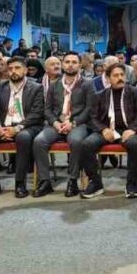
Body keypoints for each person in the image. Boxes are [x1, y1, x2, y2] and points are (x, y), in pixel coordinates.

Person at [0, 57, 45, 198]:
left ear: (25, 70)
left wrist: (17, 128)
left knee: (23, 138)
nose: (13, 71)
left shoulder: (36, 87)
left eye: (17, 68)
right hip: (3, 125)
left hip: (26, 126)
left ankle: (20, 182)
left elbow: (36, 114)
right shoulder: (0, 87)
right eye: (10, 69)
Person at [31, 52, 93, 198]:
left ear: (79, 65)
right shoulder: (54, 85)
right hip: (57, 124)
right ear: (63, 64)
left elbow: (89, 109)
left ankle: (73, 181)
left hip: (77, 124)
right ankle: (45, 181)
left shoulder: (87, 84)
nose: (70, 65)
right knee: (39, 141)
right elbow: (47, 109)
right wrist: (55, 123)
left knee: (76, 141)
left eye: (74, 62)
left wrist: (73, 123)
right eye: (67, 62)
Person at [80, 62, 137, 199]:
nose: (120, 78)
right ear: (108, 78)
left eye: (122, 75)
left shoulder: (136, 92)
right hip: (107, 130)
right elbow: (93, 117)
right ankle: (96, 183)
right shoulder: (100, 95)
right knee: (86, 144)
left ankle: (131, 184)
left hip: (128, 130)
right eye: (115, 75)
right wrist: (103, 129)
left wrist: (133, 129)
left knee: (134, 143)